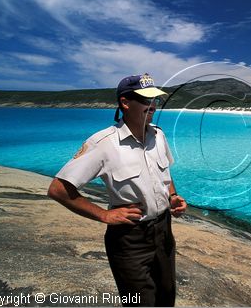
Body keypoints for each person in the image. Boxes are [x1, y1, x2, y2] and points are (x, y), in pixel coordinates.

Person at [48, 73, 187, 307]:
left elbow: (165, 174)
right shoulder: (104, 144)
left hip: (164, 232)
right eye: (146, 100)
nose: (152, 105)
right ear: (125, 103)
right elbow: (58, 189)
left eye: (155, 100)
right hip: (129, 239)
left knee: (166, 298)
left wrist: (172, 196)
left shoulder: (158, 135)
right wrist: (104, 215)